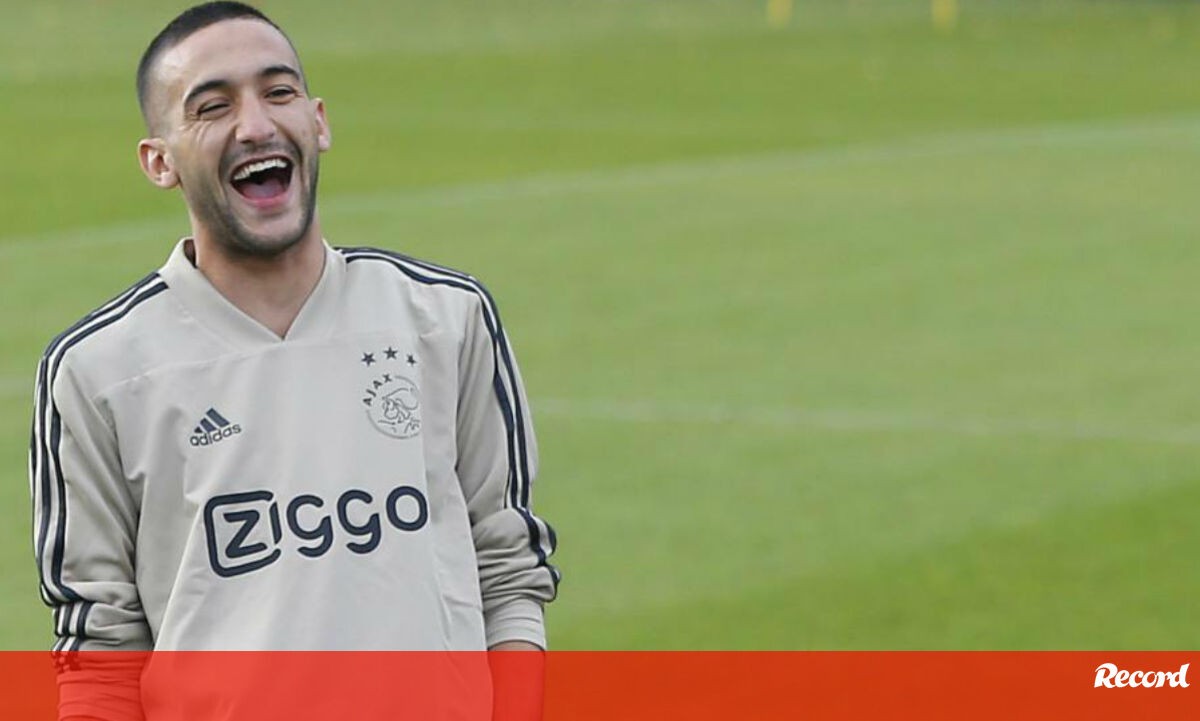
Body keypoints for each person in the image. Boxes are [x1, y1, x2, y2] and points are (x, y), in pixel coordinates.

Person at [29, 2, 558, 718]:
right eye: (212, 107)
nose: (255, 125)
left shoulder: (444, 319)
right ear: (160, 161)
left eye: (277, 92)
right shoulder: (98, 372)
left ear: (318, 122)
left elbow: (508, 571)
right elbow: (101, 654)